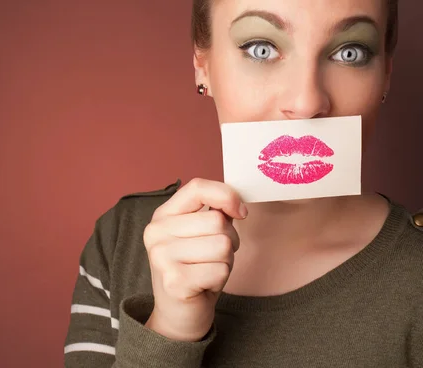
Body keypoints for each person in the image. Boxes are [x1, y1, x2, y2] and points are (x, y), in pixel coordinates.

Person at [64, 0, 423, 366]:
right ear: (202, 65)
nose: (306, 102)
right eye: (261, 49)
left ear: (386, 74)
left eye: (350, 52)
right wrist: (169, 330)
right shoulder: (122, 241)